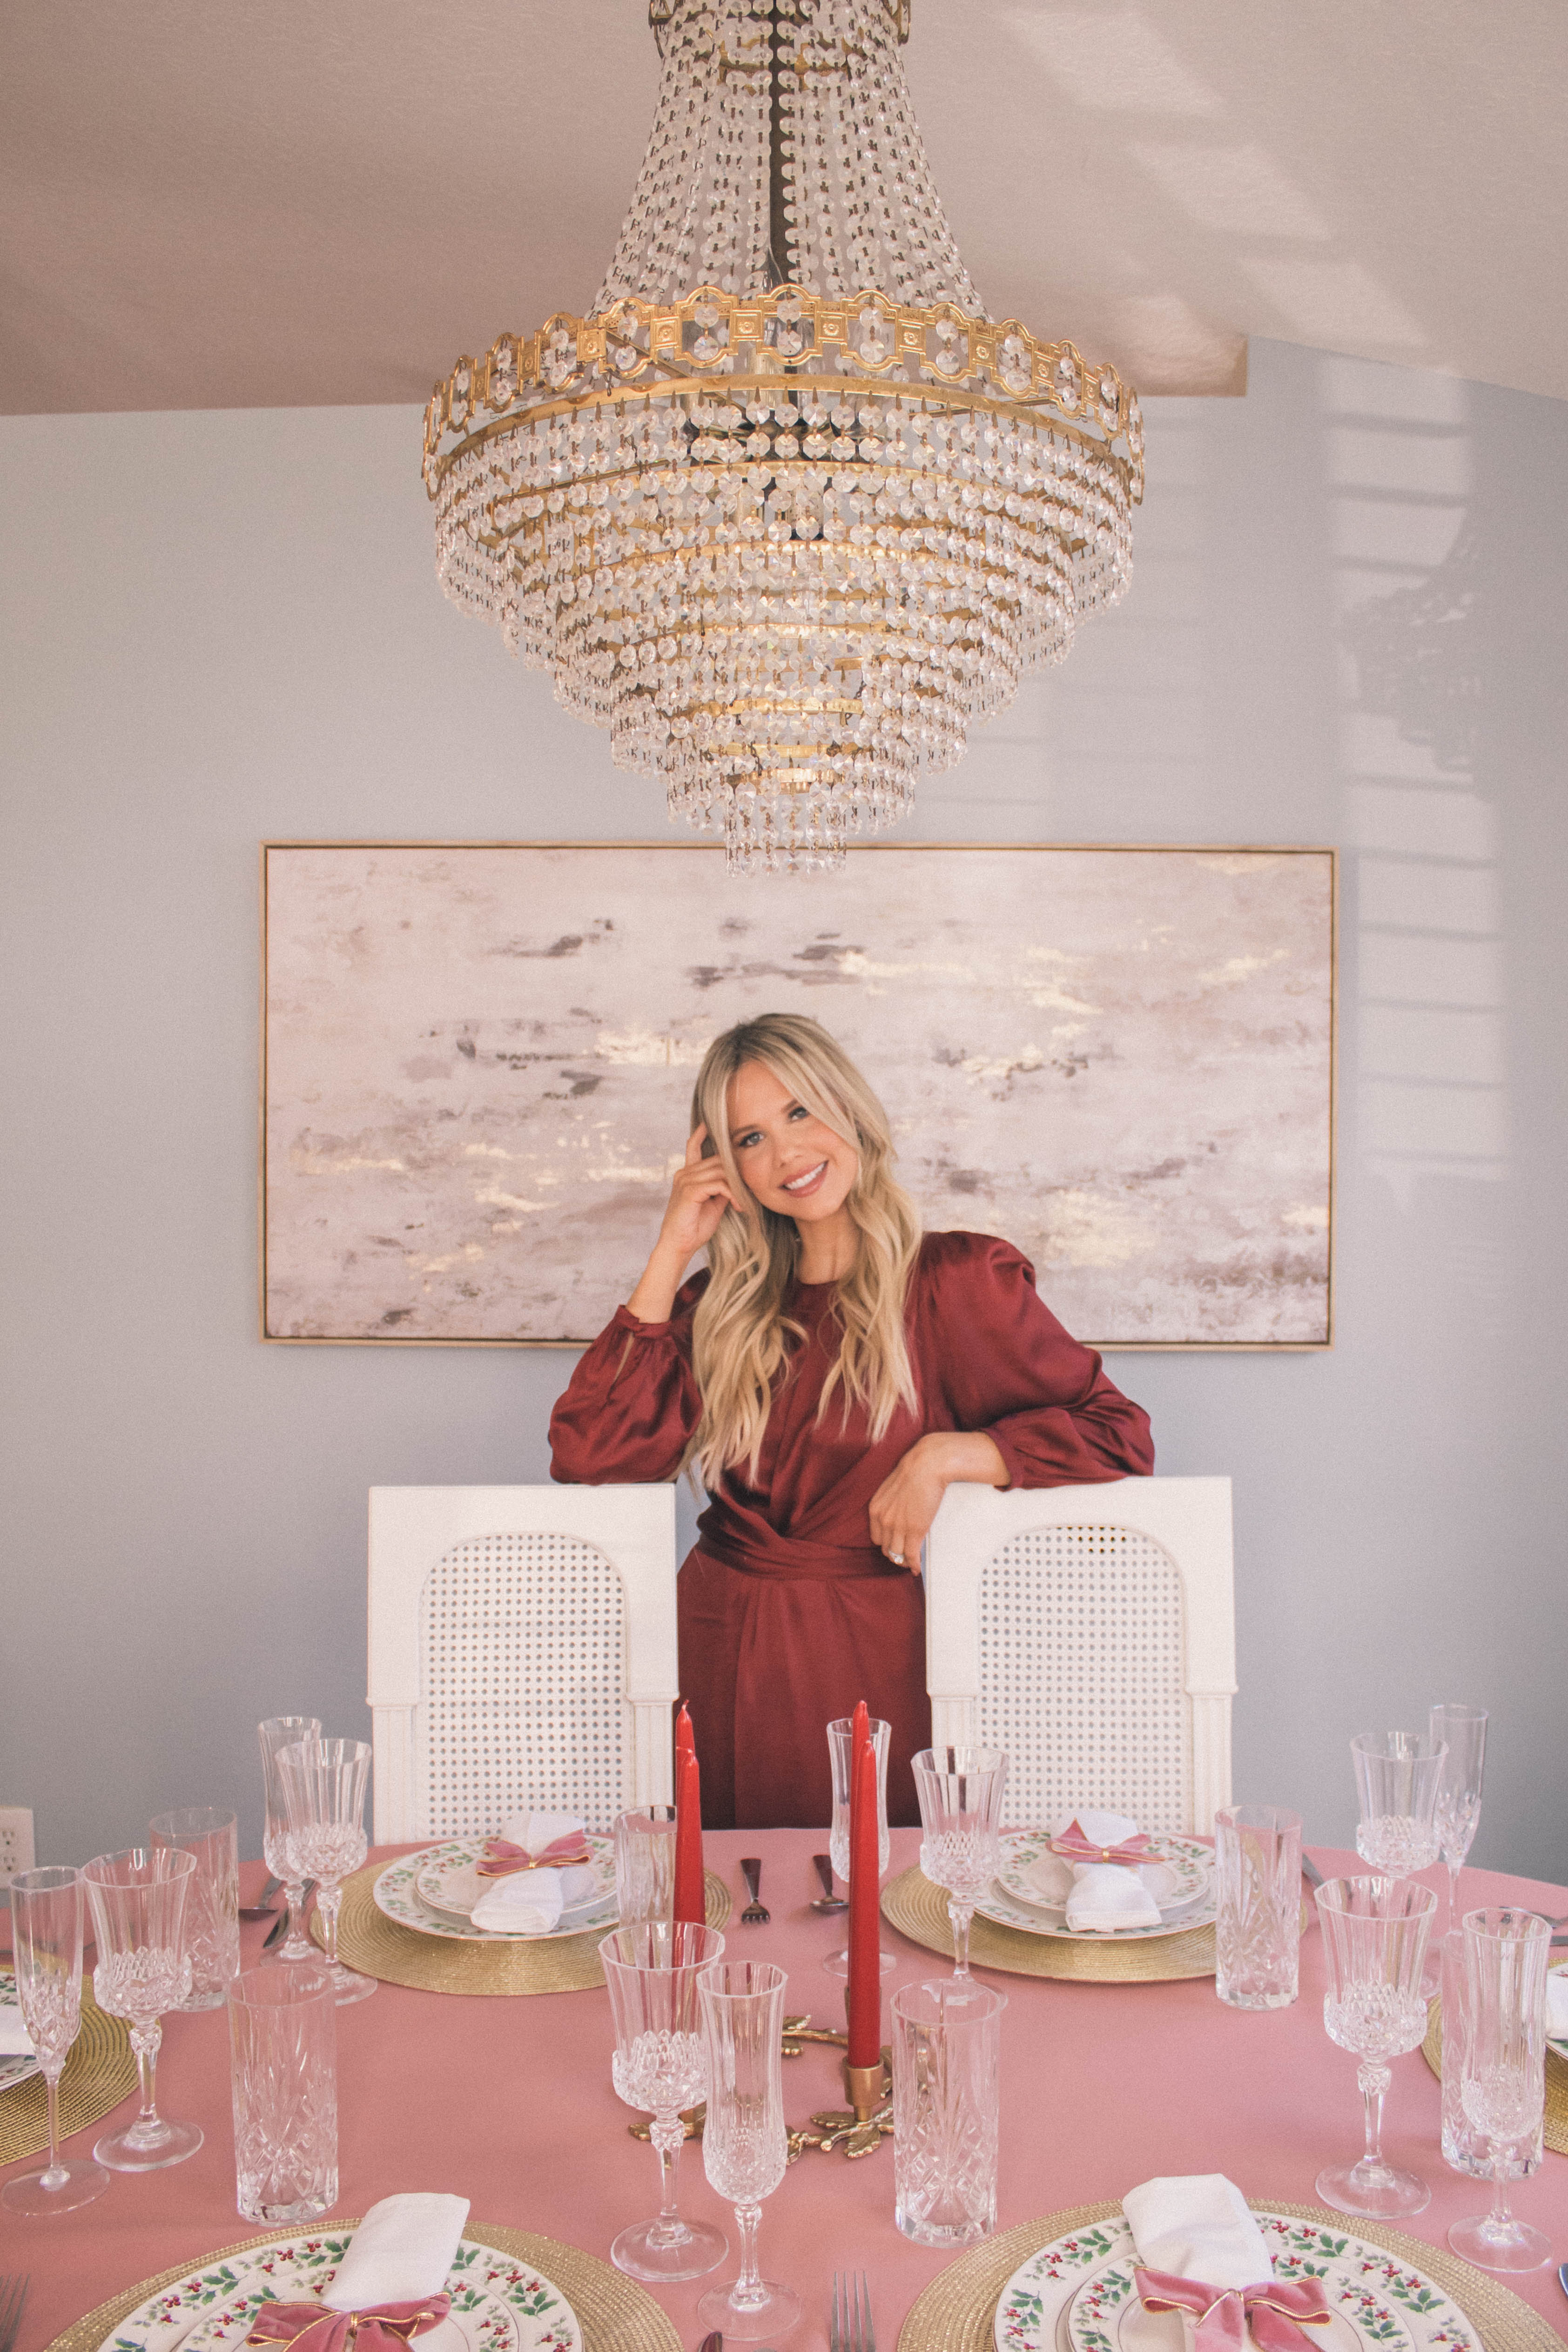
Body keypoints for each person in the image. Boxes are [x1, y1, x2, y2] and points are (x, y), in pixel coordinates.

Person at [549, 1013, 1153, 1829]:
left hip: (863, 1651)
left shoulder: (953, 1282)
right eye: (750, 1138)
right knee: (723, 1910)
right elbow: (589, 1454)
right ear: (726, 1168)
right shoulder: (720, 1307)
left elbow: (1118, 1431)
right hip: (710, 1635)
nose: (787, 1153)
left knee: (867, 1911)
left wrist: (947, 1455)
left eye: (799, 1112)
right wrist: (671, 1249)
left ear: (849, 1107)